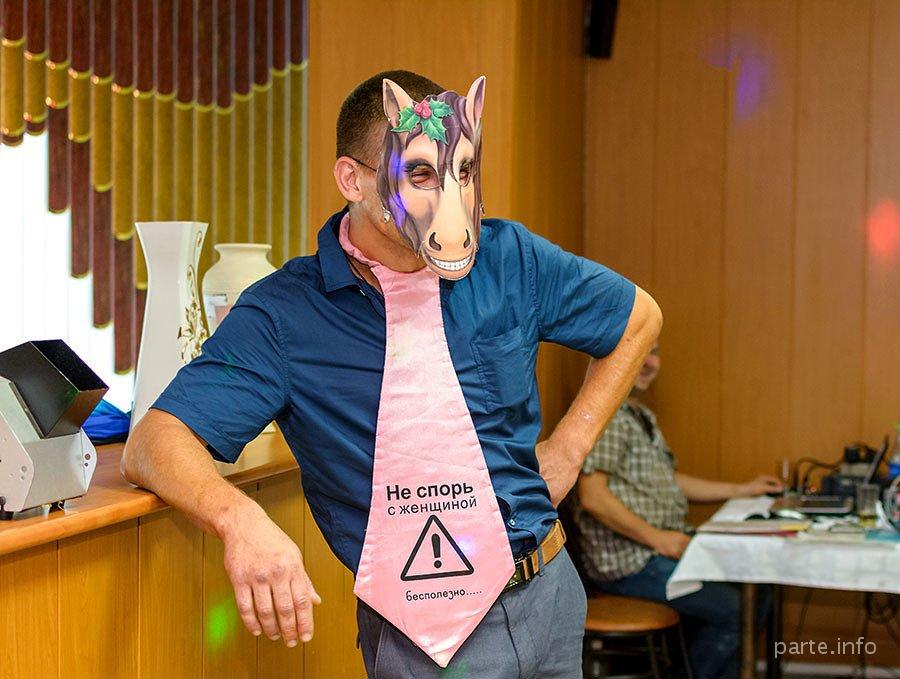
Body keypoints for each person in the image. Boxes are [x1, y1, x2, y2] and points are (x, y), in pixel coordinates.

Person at [121, 69, 662, 678]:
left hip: (550, 595)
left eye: (463, 171)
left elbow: (638, 318)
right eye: (421, 174)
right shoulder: (285, 313)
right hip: (426, 638)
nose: (451, 195)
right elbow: (153, 441)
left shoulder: (509, 259)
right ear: (352, 179)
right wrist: (238, 519)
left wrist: (568, 448)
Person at [576, 341, 782, 679]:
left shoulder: (639, 416)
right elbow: (593, 497)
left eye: (655, 352)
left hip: (659, 551)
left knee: (757, 591)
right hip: (632, 564)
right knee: (736, 610)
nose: (649, 362)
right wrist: (659, 539)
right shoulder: (608, 416)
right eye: (639, 350)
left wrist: (741, 490)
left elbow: (670, 481)